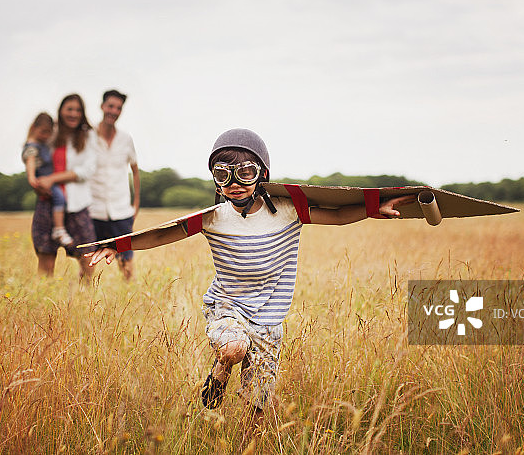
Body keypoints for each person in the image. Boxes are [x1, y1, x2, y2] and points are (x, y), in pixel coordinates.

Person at [84, 128, 413, 438]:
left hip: (269, 318)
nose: (234, 184)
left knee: (257, 405)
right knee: (234, 348)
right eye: (223, 175)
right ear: (216, 181)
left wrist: (374, 208)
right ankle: (221, 369)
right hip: (227, 307)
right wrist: (117, 245)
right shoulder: (214, 218)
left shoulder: (289, 210)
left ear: (262, 174)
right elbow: (162, 234)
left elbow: (337, 216)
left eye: (245, 173)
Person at [31, 94, 99, 278]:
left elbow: (87, 170)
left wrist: (53, 178)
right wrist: (35, 181)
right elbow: (34, 155)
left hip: (78, 204)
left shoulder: (89, 136)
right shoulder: (50, 134)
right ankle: (44, 295)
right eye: (69, 109)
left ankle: (84, 295)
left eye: (78, 110)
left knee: (87, 256)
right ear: (61, 111)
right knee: (45, 254)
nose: (73, 114)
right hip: (49, 202)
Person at [88, 89, 141, 280]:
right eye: (111, 106)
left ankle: (130, 294)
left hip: (121, 211)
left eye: (119, 108)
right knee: (88, 262)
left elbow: (135, 170)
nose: (114, 111)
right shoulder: (87, 136)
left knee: (126, 262)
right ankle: (83, 296)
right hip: (92, 210)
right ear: (102, 106)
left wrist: (136, 205)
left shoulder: (126, 139)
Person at [22, 112, 74, 246]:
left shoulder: (42, 143)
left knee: (59, 198)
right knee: (59, 198)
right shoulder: (32, 146)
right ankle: (59, 229)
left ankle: (59, 228)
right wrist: (31, 177)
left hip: (49, 179)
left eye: (48, 133)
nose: (46, 136)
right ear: (34, 128)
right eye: (43, 132)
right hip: (43, 180)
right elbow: (30, 161)